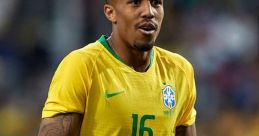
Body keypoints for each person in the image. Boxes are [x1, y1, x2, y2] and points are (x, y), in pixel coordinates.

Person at [38, 0, 197, 135]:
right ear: (110, 13)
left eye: (156, 3)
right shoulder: (82, 65)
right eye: (135, 3)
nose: (149, 12)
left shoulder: (179, 71)